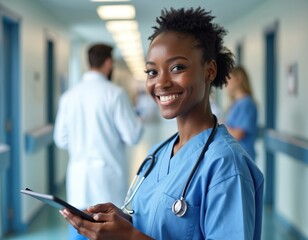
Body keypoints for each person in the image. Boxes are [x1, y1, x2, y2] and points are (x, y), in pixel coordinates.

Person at [60, 8, 264, 240]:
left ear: (210, 70)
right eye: (152, 71)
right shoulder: (157, 154)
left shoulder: (226, 166)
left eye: (177, 67)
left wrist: (130, 238)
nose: (162, 82)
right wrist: (123, 222)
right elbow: (156, 226)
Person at [53, 43, 143, 240]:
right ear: (108, 63)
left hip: (79, 182)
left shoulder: (69, 97)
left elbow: (60, 139)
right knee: (108, 234)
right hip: (107, 183)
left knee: (78, 231)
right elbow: (133, 135)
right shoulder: (115, 94)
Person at [225, 66, 258, 160]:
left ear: (238, 79)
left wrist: (221, 128)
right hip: (234, 156)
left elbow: (238, 134)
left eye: (229, 78)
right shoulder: (235, 103)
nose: (226, 82)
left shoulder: (247, 104)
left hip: (243, 157)